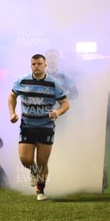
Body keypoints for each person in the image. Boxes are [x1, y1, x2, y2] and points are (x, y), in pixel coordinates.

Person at [8, 54, 69, 201]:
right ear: (31, 65)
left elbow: (65, 103)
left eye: (39, 64)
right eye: (34, 64)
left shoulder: (53, 84)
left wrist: (58, 112)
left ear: (45, 65)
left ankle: (40, 190)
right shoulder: (22, 81)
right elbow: (12, 97)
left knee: (42, 162)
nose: (36, 66)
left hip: (46, 127)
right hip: (27, 125)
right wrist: (12, 113)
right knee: (25, 159)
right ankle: (33, 172)